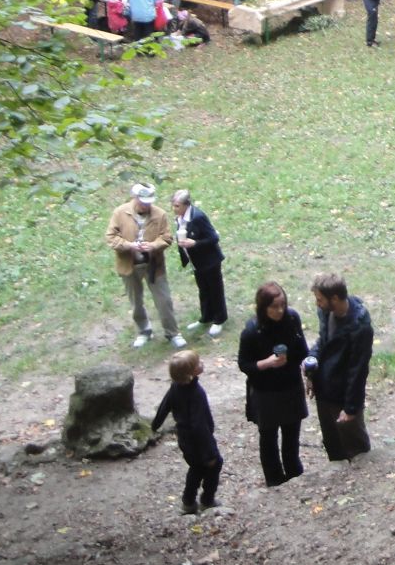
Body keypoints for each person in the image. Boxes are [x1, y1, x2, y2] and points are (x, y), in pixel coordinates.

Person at [237, 282, 310, 488]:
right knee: (268, 437)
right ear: (263, 307)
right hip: (265, 391)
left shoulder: (292, 319)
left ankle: (295, 472)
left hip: (290, 386)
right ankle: (274, 478)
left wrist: (302, 365)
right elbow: (244, 364)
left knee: (291, 434)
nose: (279, 311)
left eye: (282, 305)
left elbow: (302, 350)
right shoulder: (252, 331)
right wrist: (266, 363)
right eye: (274, 307)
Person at [303, 273, 373, 462]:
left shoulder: (359, 327)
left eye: (319, 299)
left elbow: (357, 371)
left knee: (355, 447)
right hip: (324, 390)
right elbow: (323, 341)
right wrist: (311, 363)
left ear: (334, 298)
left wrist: (350, 409)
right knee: (333, 445)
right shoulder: (326, 312)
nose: (317, 304)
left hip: (343, 396)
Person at [106, 183, 184, 349]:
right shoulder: (120, 213)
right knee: (136, 301)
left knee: (164, 300)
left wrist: (154, 245)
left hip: (154, 265)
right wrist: (129, 245)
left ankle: (173, 333)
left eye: (149, 202)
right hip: (129, 264)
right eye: (143, 202)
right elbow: (111, 238)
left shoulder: (160, 214)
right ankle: (144, 331)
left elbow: (167, 237)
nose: (146, 205)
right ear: (135, 198)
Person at [151, 349, 222, 514]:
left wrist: (156, 424)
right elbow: (199, 425)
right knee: (214, 465)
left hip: (184, 440)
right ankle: (207, 500)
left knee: (196, 469)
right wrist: (209, 453)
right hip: (199, 441)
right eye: (198, 364)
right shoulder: (196, 393)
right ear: (190, 373)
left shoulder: (175, 387)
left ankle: (188, 502)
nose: (201, 364)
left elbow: (165, 405)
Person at [172, 189, 228, 338]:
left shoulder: (198, 217)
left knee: (215, 289)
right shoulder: (180, 218)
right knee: (203, 289)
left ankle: (219, 318)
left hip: (210, 260)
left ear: (186, 205)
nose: (174, 209)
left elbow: (213, 237)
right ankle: (206, 316)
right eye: (173, 205)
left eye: (177, 206)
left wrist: (195, 243)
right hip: (196, 262)